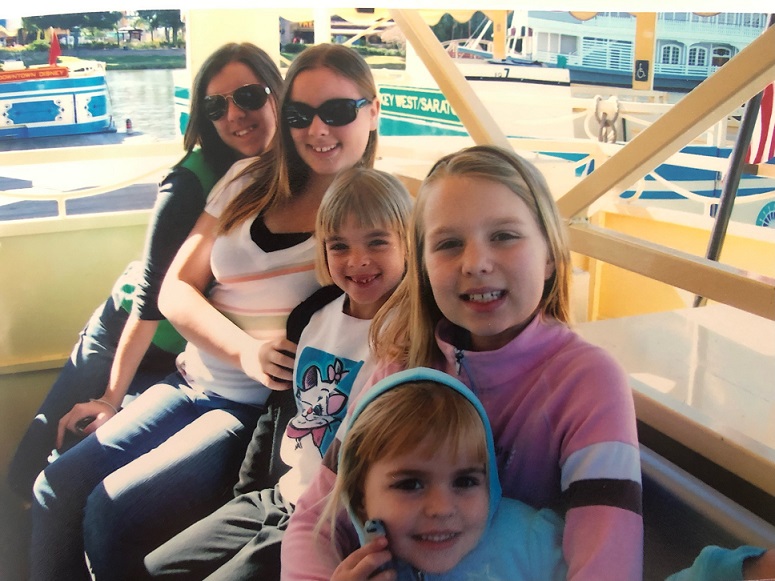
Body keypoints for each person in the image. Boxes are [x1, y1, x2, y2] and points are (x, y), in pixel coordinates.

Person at [29, 43, 380, 581]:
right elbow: (174, 290)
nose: (317, 130)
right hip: (188, 380)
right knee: (55, 485)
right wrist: (244, 348)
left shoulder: (370, 223)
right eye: (299, 114)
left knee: (111, 510)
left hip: (246, 409)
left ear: (372, 111)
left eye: (337, 112)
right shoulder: (246, 179)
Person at [281, 145, 643, 581]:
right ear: (425, 267)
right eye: (449, 244)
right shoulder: (400, 368)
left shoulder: (588, 383)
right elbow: (315, 520)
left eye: (504, 236)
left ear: (549, 255)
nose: (476, 264)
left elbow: (606, 564)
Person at [7, 42, 283, 502]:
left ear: (278, 93)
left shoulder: (283, 177)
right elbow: (152, 299)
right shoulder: (192, 181)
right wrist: (112, 397)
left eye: (250, 96)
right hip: (128, 334)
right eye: (217, 106)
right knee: (47, 450)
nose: (235, 114)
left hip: (181, 351)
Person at [144, 167, 411, 579]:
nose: (357, 260)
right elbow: (282, 410)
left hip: (330, 518)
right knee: (156, 568)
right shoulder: (314, 314)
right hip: (278, 494)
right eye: (339, 246)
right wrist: (247, 493)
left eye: (377, 242)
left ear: (408, 244)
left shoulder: (407, 335)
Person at [325, 367, 567, 580]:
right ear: (359, 499)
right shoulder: (363, 573)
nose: (441, 508)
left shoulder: (534, 543)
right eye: (410, 484)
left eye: (465, 481)